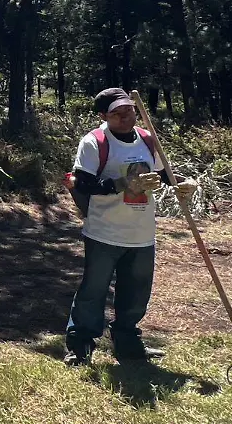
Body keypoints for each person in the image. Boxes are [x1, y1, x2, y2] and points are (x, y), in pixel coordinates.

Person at [65, 88, 199, 367]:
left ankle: (128, 344)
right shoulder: (95, 142)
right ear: (103, 116)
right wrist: (123, 183)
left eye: (129, 110)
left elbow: (164, 174)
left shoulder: (148, 139)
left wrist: (184, 184)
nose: (126, 116)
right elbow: (83, 184)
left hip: (141, 233)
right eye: (117, 113)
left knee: (136, 293)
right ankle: (80, 346)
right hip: (104, 232)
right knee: (93, 290)